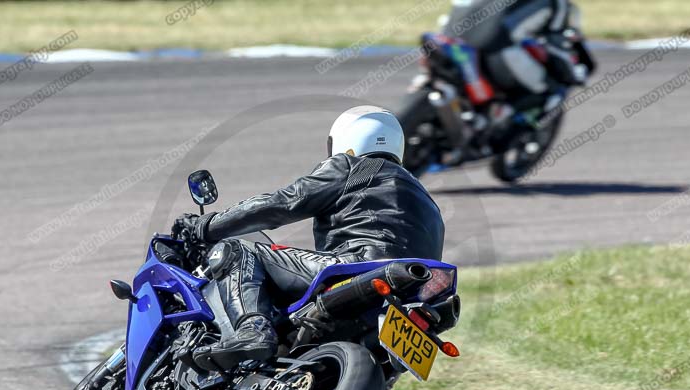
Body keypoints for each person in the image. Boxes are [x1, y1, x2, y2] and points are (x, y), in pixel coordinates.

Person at [171, 106, 445, 369]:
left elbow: (284, 203)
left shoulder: (356, 167)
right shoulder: (427, 201)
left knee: (239, 251)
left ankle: (252, 330)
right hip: (410, 291)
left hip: (358, 265)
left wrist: (205, 226)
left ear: (347, 140)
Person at [442, 0, 585, 106]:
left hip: (451, 43)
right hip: (496, 54)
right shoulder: (555, 4)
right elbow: (556, 44)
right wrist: (573, 73)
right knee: (546, 89)